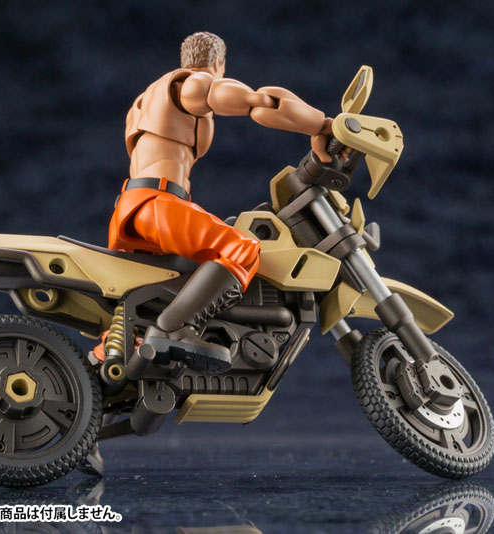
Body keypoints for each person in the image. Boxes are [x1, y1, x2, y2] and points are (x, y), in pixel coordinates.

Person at [108, 32, 338, 374]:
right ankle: (174, 329)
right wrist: (322, 125)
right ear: (219, 61)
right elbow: (261, 103)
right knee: (242, 249)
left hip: (132, 208)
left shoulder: (146, 100)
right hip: (158, 204)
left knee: (143, 299)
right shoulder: (193, 85)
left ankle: (111, 355)